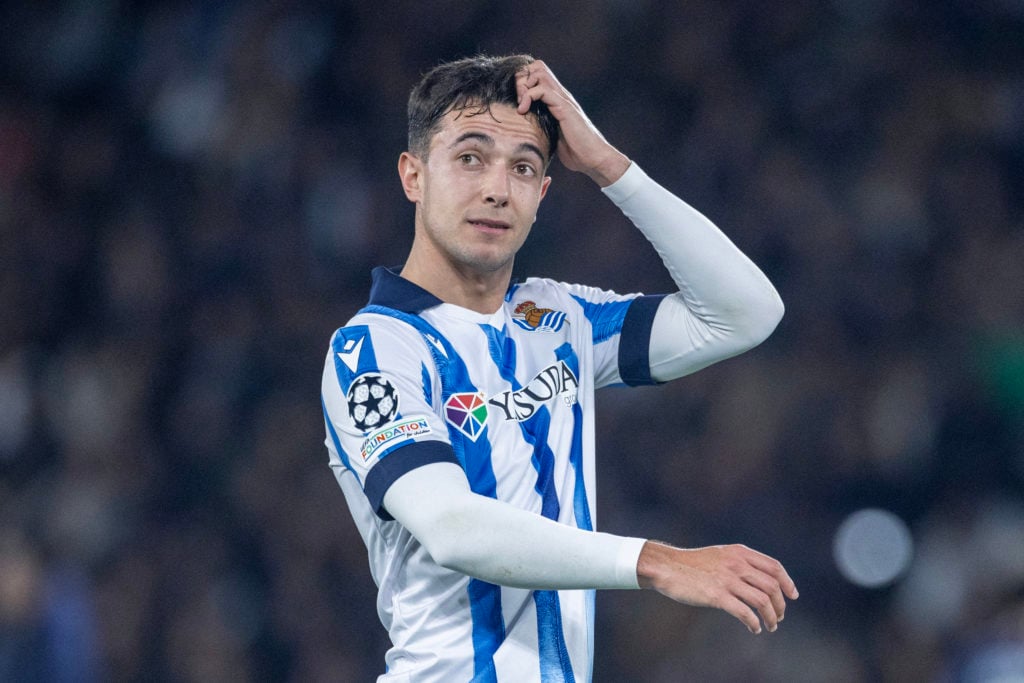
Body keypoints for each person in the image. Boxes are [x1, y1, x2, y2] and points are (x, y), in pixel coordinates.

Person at [321, 54, 798, 682]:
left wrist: (607, 165)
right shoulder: (373, 350)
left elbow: (746, 313)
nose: (497, 188)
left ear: (542, 193)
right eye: (470, 158)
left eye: (523, 168)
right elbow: (454, 528)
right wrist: (657, 561)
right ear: (413, 175)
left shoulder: (560, 316)